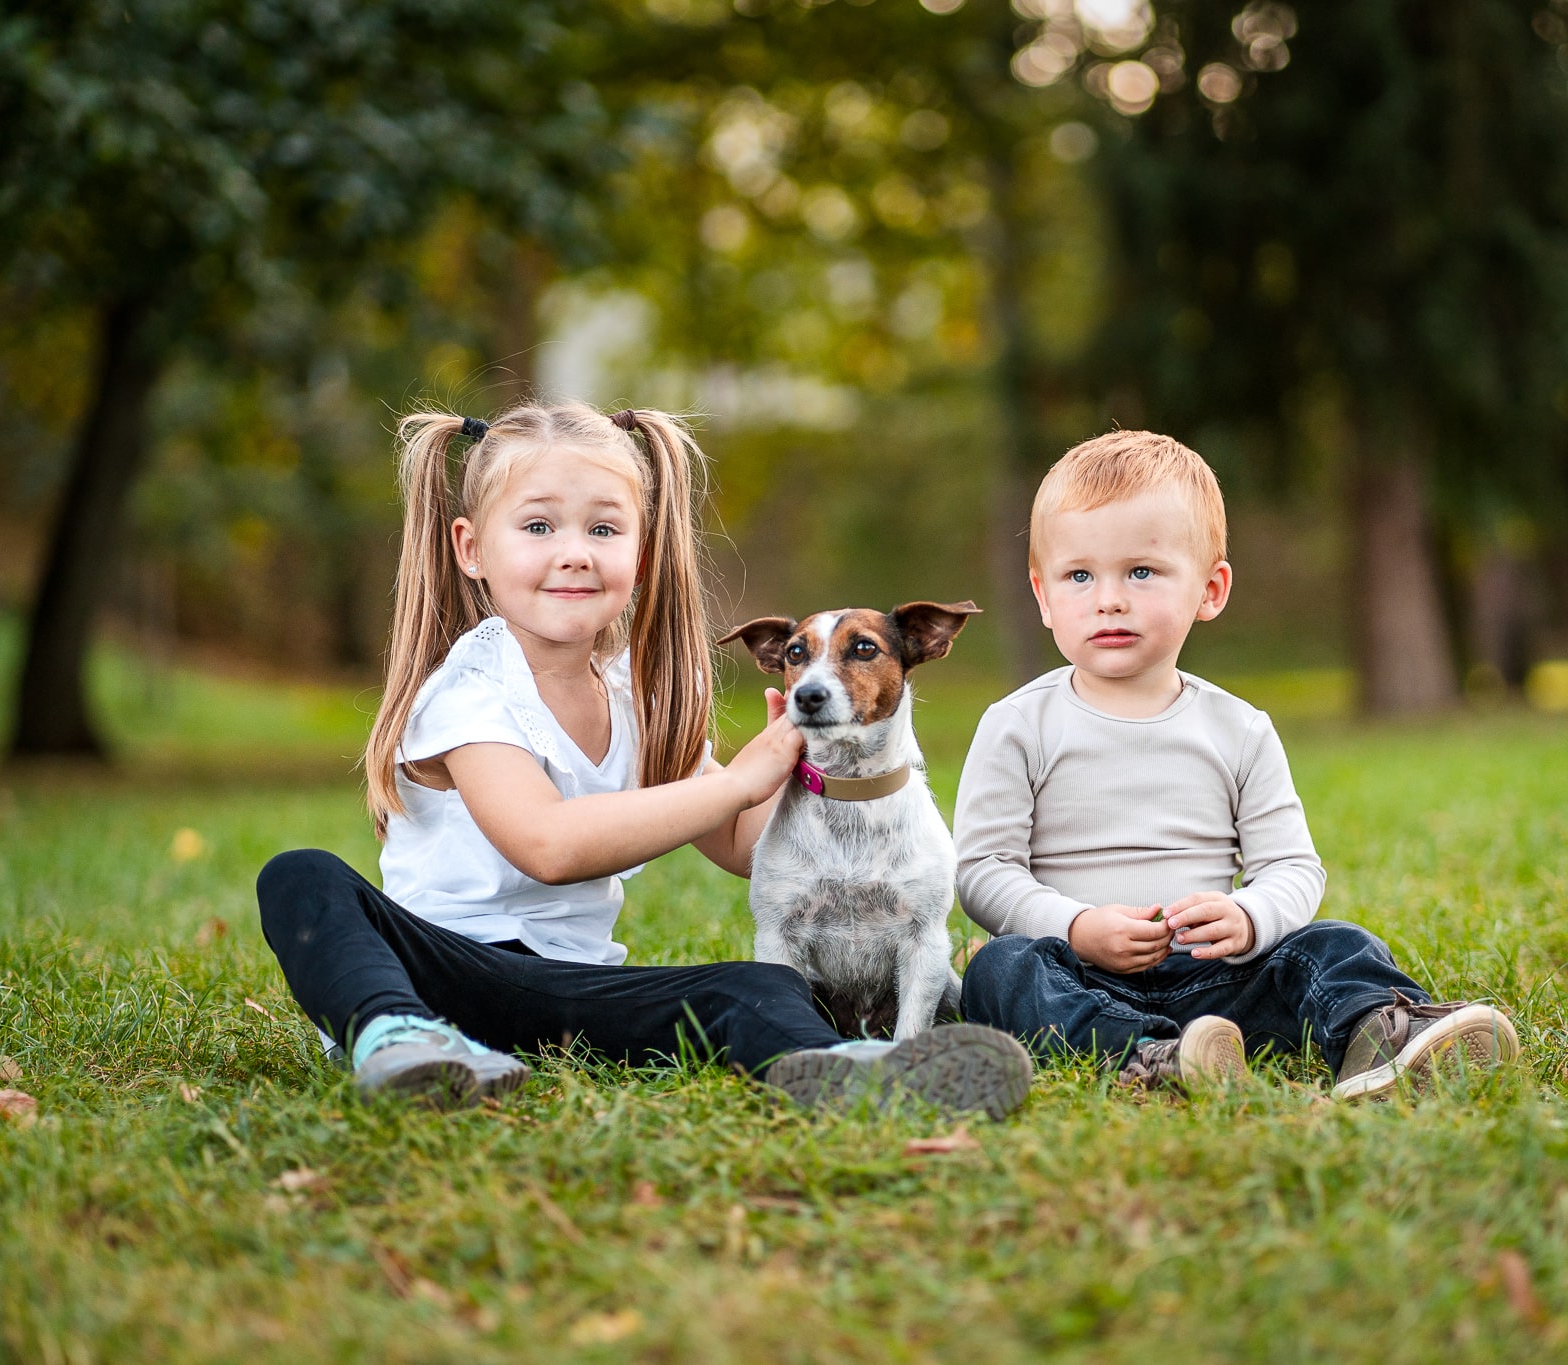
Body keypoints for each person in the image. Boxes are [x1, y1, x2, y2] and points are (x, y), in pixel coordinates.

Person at [256, 401, 1031, 1117]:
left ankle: (853, 1066)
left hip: (579, 994)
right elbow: (549, 844)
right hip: (443, 977)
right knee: (302, 876)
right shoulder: (469, 689)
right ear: (471, 549)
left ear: (642, 549)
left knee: (754, 985)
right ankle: (399, 1039)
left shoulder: (637, 694)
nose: (574, 555)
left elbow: (738, 844)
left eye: (603, 530)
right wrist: (736, 780)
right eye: (537, 528)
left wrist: (793, 773)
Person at [953, 430, 1520, 1101]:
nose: (1108, 598)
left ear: (1210, 588)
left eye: (1141, 571)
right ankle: (1146, 1056)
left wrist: (1249, 916)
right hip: (1078, 971)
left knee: (1333, 942)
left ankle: (1381, 1037)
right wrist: (1077, 927)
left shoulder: (1238, 728)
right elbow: (983, 872)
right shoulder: (1019, 724)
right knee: (1000, 970)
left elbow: (1292, 867)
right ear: (1044, 596)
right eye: (1079, 576)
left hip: (1220, 978)